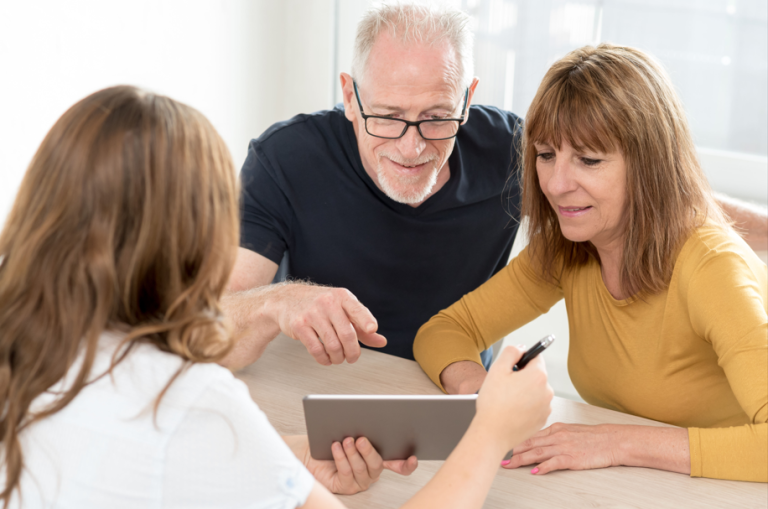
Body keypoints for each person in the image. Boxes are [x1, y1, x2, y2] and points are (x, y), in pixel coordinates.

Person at [0, 85, 553, 509]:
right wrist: (491, 433)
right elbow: (195, 430)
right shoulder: (189, 400)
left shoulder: (25, 345)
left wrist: (291, 458)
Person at [222, 2, 768, 373]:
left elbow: (654, 196)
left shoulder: (512, 151)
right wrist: (278, 301)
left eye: (437, 117)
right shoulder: (285, 159)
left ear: (468, 98)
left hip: (453, 396)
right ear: (349, 95)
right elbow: (208, 335)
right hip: (317, 387)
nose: (412, 147)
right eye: (386, 117)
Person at [413, 44, 767, 483]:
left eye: (589, 160)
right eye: (546, 155)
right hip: (634, 485)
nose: (556, 185)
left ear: (650, 164)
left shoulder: (713, 268)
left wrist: (618, 443)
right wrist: (481, 392)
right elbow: (445, 330)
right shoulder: (568, 249)